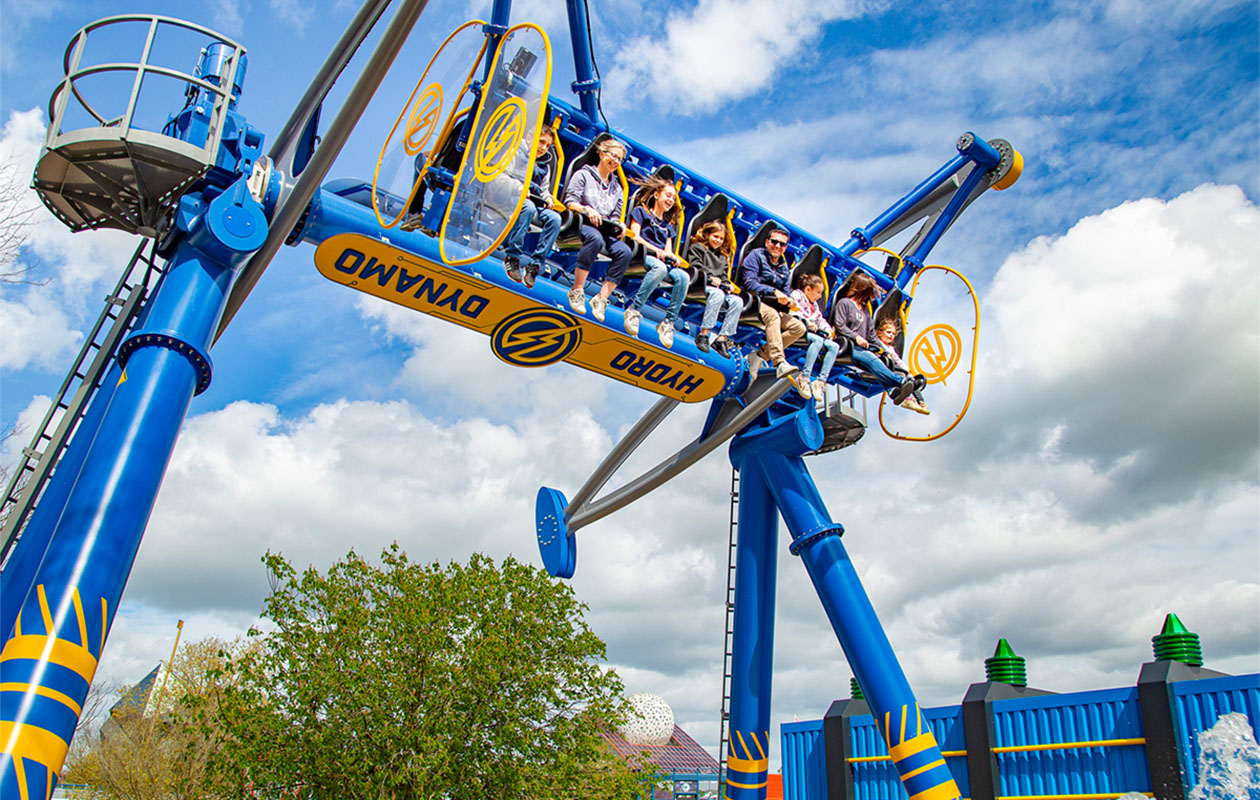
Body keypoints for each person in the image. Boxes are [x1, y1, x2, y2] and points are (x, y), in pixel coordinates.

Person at [562, 139, 632, 321]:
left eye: (620, 159)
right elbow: (570, 202)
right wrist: (587, 209)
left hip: (605, 229)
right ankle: (577, 290)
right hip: (582, 222)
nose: (616, 161)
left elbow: (616, 216)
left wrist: (620, 225)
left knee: (625, 252)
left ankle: (601, 299)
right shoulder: (583, 175)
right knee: (595, 240)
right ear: (601, 154)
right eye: (613, 156)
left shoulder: (617, 188)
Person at [831, 271, 916, 406]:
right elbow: (840, 325)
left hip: (863, 348)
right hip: (848, 345)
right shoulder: (844, 303)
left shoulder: (865, 311)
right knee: (871, 359)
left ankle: (892, 391)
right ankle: (900, 382)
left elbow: (871, 335)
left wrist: (885, 350)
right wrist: (856, 337)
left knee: (881, 361)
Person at [502, 126, 562, 289]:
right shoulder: (514, 150)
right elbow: (502, 174)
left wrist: (548, 199)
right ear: (529, 137)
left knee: (555, 218)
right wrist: (519, 187)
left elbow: (544, 190)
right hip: (510, 195)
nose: (543, 148)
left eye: (547, 146)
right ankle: (512, 256)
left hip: (533, 201)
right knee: (527, 208)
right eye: (541, 142)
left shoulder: (545, 165)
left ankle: (535, 265)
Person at [740, 227, 804, 379]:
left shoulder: (783, 267)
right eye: (774, 242)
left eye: (782, 244)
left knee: (798, 328)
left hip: (774, 306)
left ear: (785, 247)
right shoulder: (755, 256)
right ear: (767, 242)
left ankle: (760, 355)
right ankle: (779, 362)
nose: (777, 246)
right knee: (773, 317)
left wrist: (789, 300)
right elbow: (750, 283)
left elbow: (786, 290)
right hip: (754, 301)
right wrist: (773, 292)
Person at [685, 221, 741, 358]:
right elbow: (695, 266)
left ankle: (721, 339)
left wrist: (728, 284)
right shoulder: (697, 248)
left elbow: (724, 276)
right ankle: (703, 334)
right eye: (715, 236)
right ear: (707, 234)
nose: (718, 241)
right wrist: (710, 278)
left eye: (721, 239)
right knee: (717, 294)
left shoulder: (722, 257)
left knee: (737, 301)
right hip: (700, 285)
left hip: (718, 288)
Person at [789, 274, 840, 401]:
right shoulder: (797, 295)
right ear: (808, 289)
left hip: (813, 332)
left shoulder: (815, 305)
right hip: (799, 328)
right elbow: (793, 310)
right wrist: (807, 322)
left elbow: (819, 319)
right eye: (818, 292)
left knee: (834, 346)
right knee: (817, 340)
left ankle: (820, 381)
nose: (820, 296)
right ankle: (804, 377)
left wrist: (827, 329)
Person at [873, 317, 930, 414]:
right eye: (888, 332)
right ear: (880, 332)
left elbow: (897, 360)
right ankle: (906, 397)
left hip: (891, 367)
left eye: (893, 334)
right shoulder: (877, 342)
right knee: (900, 374)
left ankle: (921, 401)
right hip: (880, 367)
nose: (891, 335)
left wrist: (908, 370)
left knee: (906, 375)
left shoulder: (890, 348)